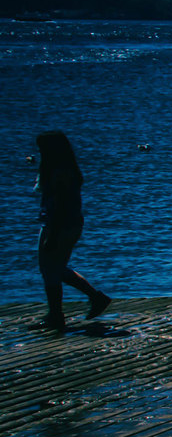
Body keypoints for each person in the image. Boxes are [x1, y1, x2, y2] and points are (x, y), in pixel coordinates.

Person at [32, 130, 111, 332]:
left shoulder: (60, 172)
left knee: (51, 270)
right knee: (53, 268)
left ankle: (57, 316)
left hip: (61, 224)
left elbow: (60, 206)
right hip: (62, 223)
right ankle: (93, 298)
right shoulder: (64, 169)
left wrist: (54, 234)